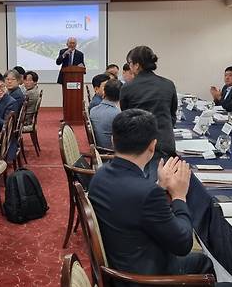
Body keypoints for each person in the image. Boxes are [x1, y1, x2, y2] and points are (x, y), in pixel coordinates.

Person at [88, 109, 214, 286]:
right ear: (152, 146)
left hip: (119, 262)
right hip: (143, 278)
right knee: (203, 262)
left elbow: (132, 202)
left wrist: (160, 186)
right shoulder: (147, 193)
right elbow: (183, 244)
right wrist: (179, 196)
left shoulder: (99, 175)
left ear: (112, 140)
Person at [120, 46, 177, 162]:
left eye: (129, 63)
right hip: (165, 144)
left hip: (139, 147)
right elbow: (172, 116)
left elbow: (126, 117)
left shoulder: (127, 87)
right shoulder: (168, 84)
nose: (129, 67)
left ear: (136, 65)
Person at [90, 79, 121, 150]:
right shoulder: (117, 114)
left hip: (99, 149)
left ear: (104, 92)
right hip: (111, 152)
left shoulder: (93, 110)